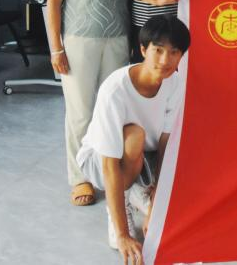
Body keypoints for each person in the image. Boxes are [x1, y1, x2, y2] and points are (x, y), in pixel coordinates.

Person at [76, 15, 190, 263]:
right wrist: (122, 234)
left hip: (144, 158)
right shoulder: (116, 89)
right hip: (100, 161)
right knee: (134, 136)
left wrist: (155, 209)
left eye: (174, 52)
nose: (165, 60)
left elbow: (165, 146)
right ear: (143, 50)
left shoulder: (175, 83)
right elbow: (109, 164)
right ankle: (119, 208)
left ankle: (141, 193)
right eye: (158, 50)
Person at [46, 0, 129, 208]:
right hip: (78, 38)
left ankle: (109, 171)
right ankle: (81, 177)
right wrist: (56, 47)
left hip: (118, 36)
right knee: (80, 112)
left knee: (113, 110)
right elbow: (54, 0)